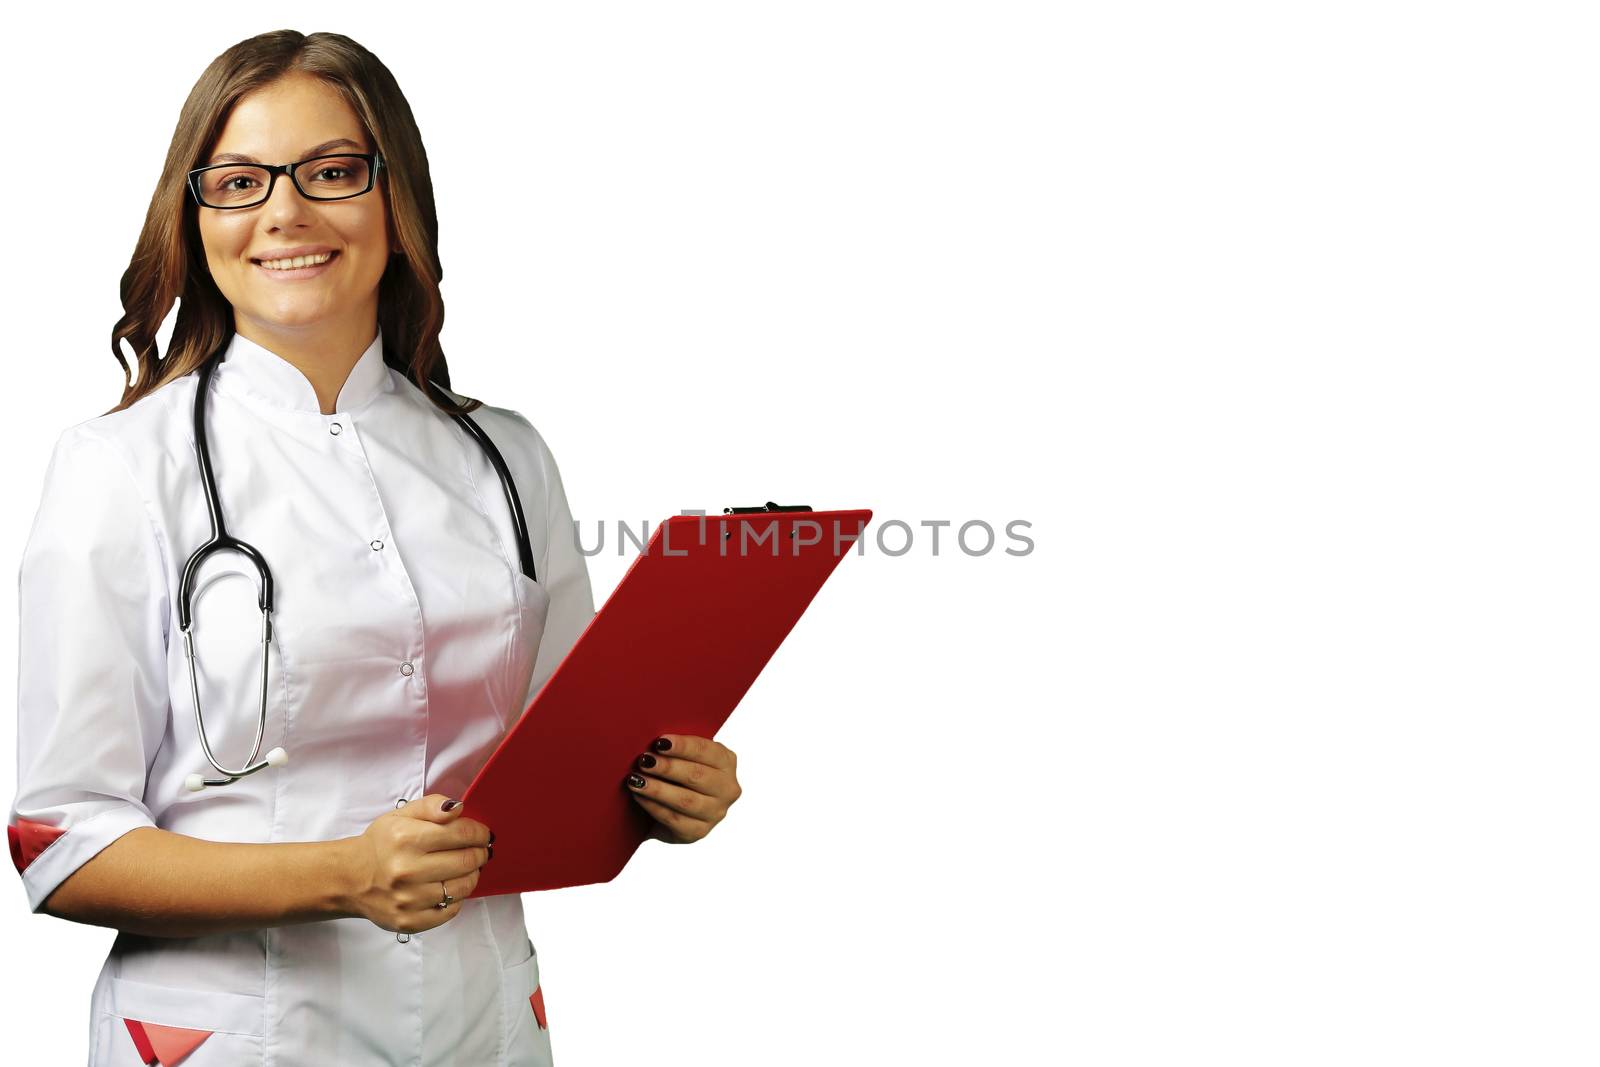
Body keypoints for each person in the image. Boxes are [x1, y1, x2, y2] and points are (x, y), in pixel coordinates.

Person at [6, 29, 742, 1067]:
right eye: (239, 180)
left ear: (396, 200)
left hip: (484, 1015)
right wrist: (344, 873)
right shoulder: (117, 468)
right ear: (194, 211)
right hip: (232, 1030)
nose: (285, 213)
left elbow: (569, 756)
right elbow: (59, 844)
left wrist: (660, 792)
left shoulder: (504, 454)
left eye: (333, 171)